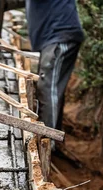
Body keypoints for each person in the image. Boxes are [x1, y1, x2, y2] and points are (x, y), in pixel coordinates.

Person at [25, 0, 85, 133]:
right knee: (53, 87)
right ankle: (54, 138)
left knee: (47, 87)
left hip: (59, 35)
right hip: (56, 36)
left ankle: (48, 140)